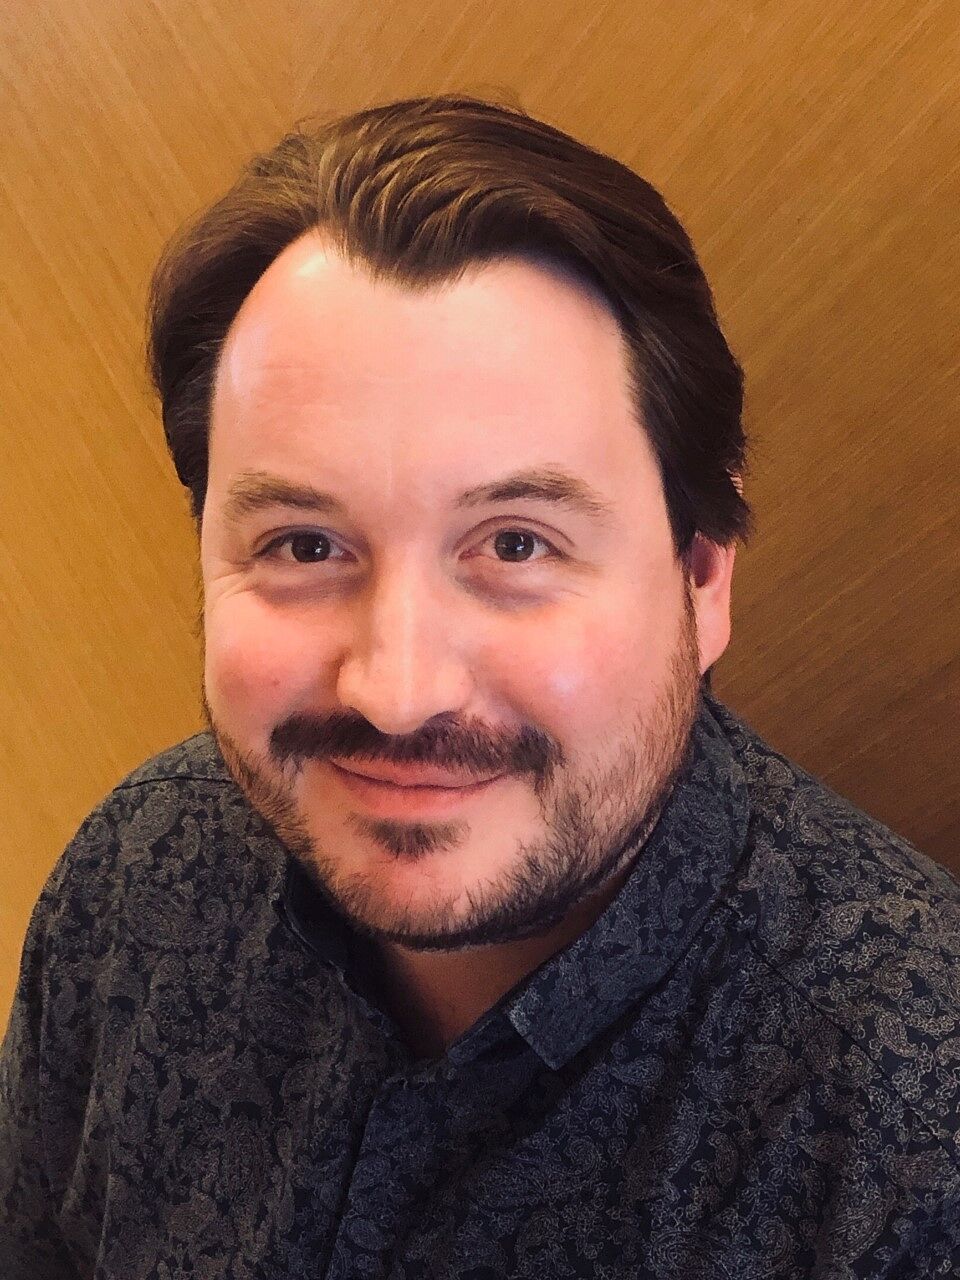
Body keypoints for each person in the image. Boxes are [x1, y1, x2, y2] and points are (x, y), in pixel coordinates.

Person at [1, 95, 957, 1280]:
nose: (397, 691)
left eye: (516, 543)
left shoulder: (917, 1144)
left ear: (702, 574)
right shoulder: (136, 876)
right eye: (305, 544)